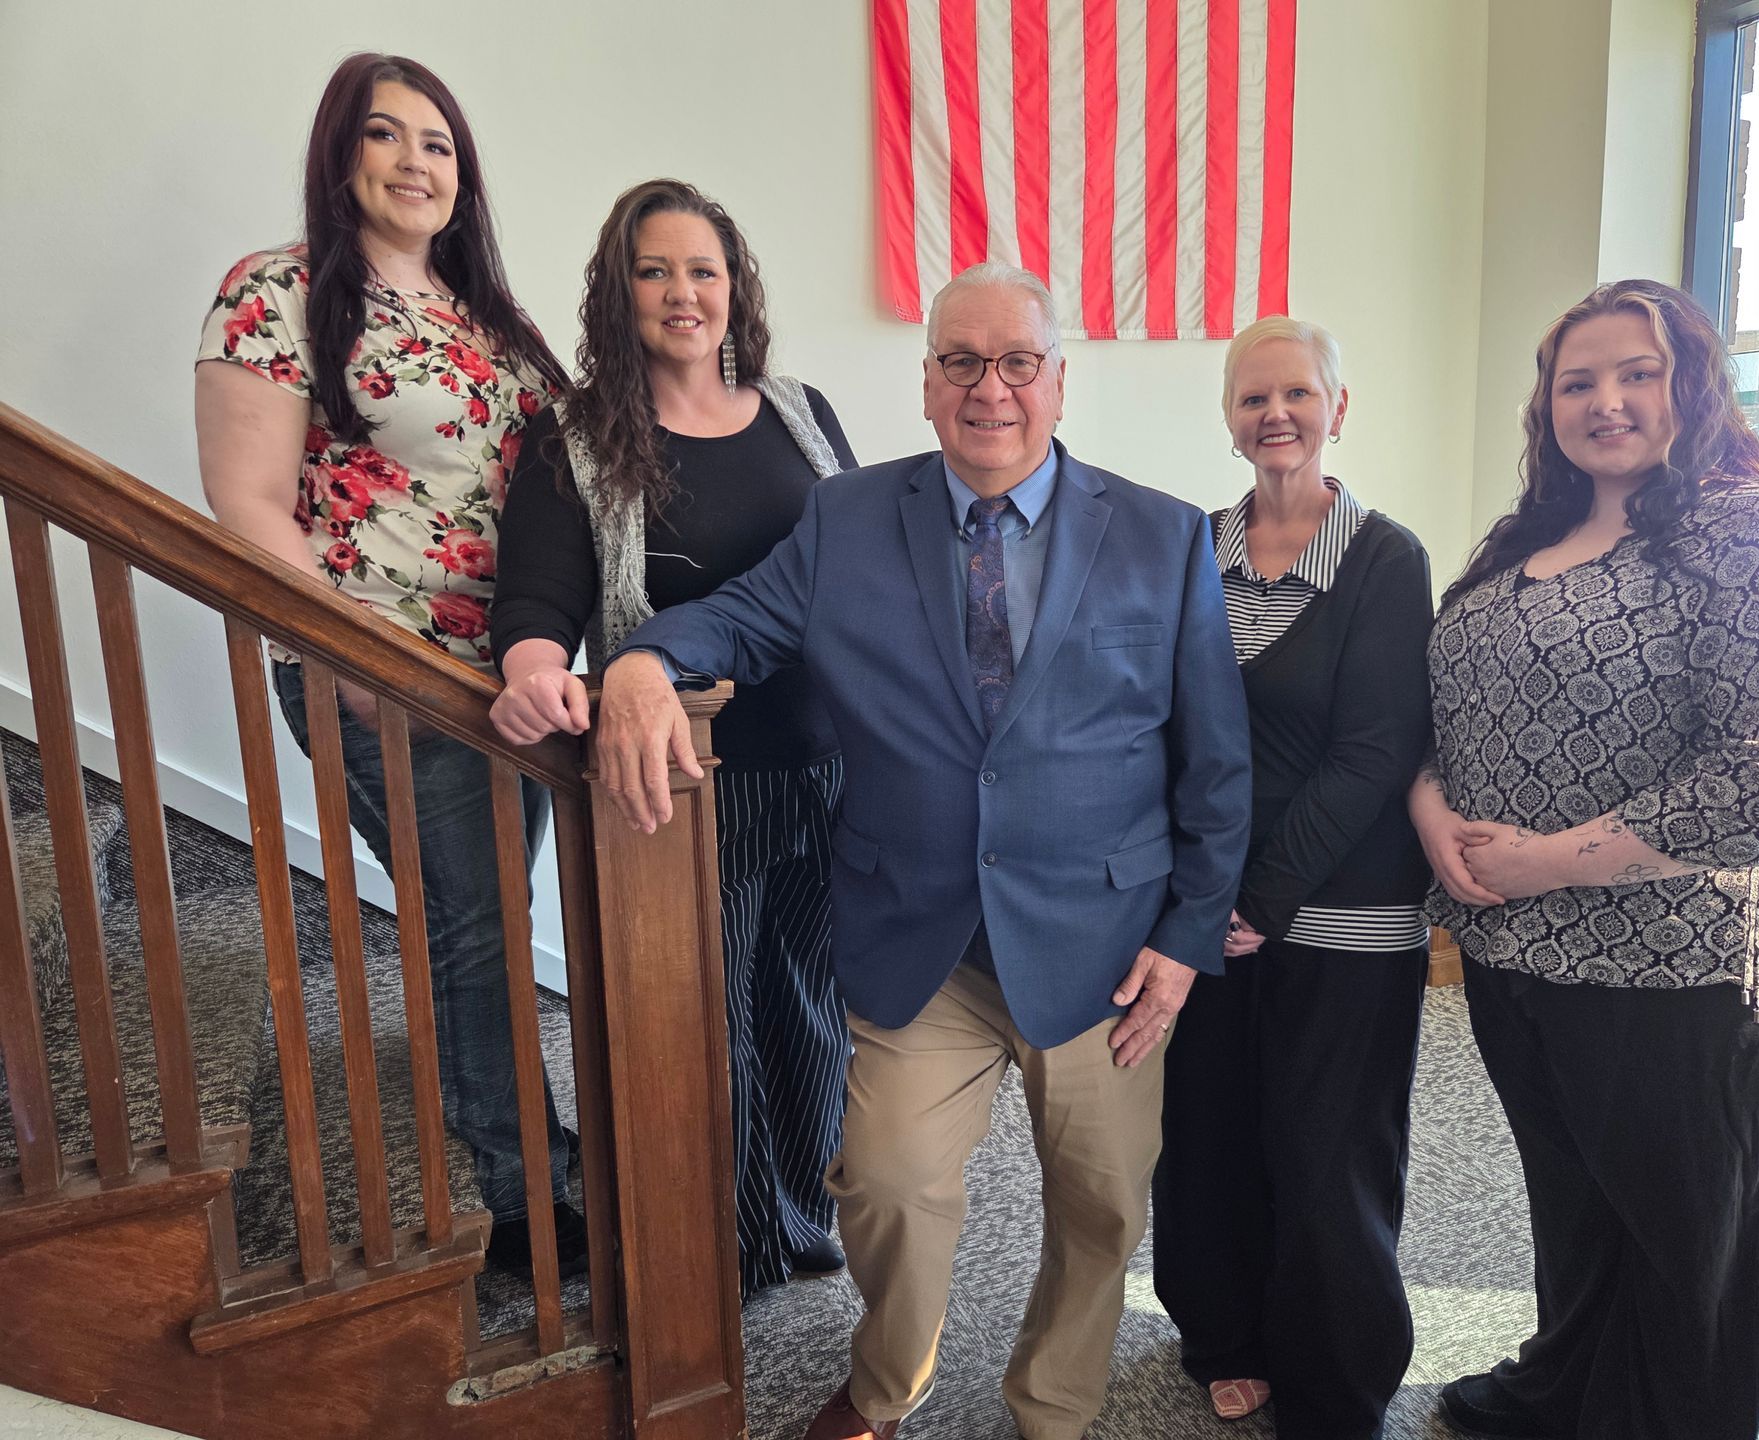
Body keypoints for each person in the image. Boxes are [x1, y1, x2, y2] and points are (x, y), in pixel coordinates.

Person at [592, 262, 1250, 1440]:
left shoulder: (1163, 535)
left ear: (1059, 381)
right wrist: (643, 664)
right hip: (922, 943)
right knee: (889, 1186)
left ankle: (1052, 1408)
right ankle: (887, 1383)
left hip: (1107, 949)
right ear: (928, 382)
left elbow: (1215, 764)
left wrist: (1188, 938)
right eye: (961, 362)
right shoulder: (848, 519)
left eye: (1016, 363)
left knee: (1102, 1209)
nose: (989, 389)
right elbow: (736, 620)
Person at [1412, 279, 1759, 1440]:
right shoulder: (1529, 537)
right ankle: (1569, 1390)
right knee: (1576, 1212)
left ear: (1693, 383)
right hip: (1518, 953)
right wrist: (1429, 815)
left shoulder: (1757, 527)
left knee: (1687, 1248)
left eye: (1637, 373)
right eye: (1577, 382)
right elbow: (1438, 713)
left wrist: (1548, 861)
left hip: (1692, 966)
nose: (1605, 401)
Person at [195, 53, 581, 1277]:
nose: (418, 162)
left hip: (507, 676)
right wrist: (346, 657)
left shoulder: (490, 318)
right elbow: (248, 502)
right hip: (380, 666)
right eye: (388, 136)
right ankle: (529, 1195)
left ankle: (533, 1145)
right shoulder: (281, 291)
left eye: (440, 143)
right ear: (341, 155)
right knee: (475, 927)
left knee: (492, 923)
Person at [488, 178, 857, 1294]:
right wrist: (533, 669)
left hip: (829, 767)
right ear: (620, 289)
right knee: (709, 1027)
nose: (683, 293)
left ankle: (799, 1215)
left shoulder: (802, 409)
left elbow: (864, 562)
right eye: (655, 271)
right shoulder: (579, 436)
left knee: (813, 1011)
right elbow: (538, 600)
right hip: (686, 780)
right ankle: (720, 1250)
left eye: (704, 269)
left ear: (735, 285)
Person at [1151, 317, 1433, 1435]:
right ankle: (1226, 1335)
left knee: (1329, 1156)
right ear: (1229, 418)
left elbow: (1374, 750)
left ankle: (1334, 1382)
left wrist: (1260, 903)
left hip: (1341, 916)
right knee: (1212, 1134)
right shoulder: (1190, 550)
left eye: (1297, 394)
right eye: (1253, 397)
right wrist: (1201, 902)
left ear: (1337, 408)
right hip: (1209, 912)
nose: (1276, 414)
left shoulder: (1384, 557)